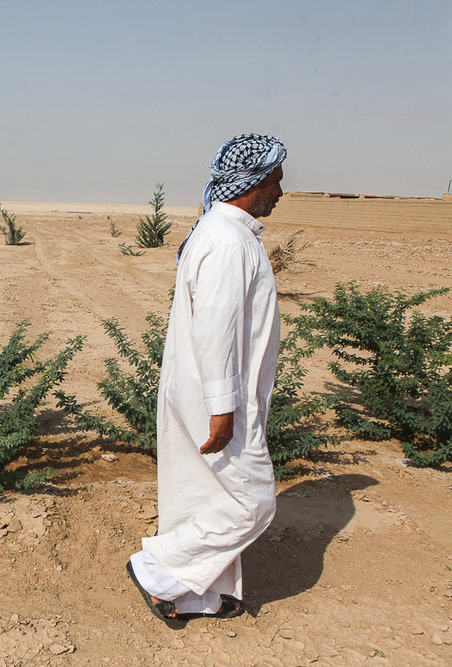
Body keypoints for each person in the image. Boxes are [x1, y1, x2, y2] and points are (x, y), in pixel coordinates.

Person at [127, 133, 287, 621]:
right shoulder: (226, 240)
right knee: (252, 503)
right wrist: (224, 409)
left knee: (204, 494)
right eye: (275, 180)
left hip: (208, 389)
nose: (281, 191)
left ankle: (197, 594)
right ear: (253, 181)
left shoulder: (224, 233)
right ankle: (156, 568)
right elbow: (217, 331)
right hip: (217, 395)